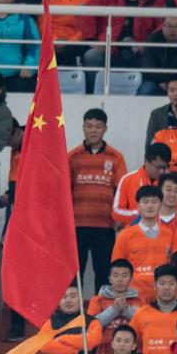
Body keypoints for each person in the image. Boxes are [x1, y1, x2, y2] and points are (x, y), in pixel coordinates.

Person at [69, 109, 128, 289]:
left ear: (105, 129)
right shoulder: (72, 156)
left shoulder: (116, 157)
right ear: (83, 127)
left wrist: (119, 219)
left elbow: (121, 191)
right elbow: (63, 191)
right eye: (89, 126)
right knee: (74, 274)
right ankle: (74, 307)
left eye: (98, 126)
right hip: (76, 225)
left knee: (103, 273)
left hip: (105, 225)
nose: (93, 130)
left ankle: (101, 307)